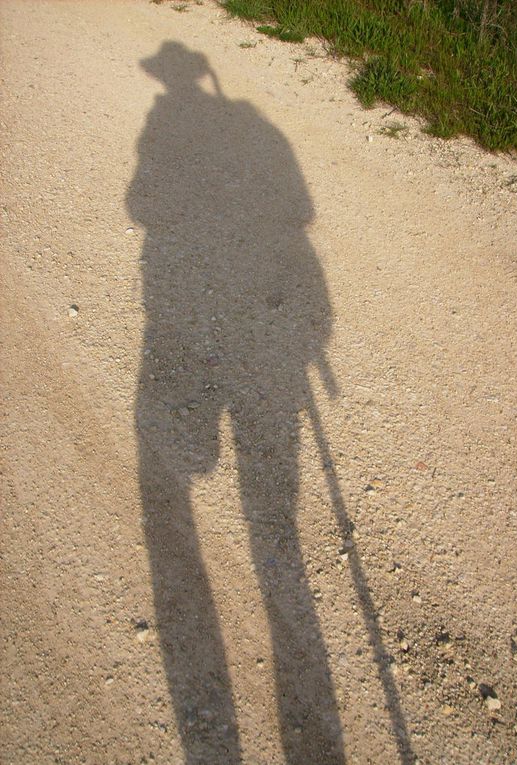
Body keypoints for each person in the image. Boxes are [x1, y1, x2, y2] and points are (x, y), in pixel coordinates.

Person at [127, 42, 345, 764]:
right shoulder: (250, 124)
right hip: (260, 303)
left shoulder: (169, 122)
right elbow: (303, 209)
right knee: (269, 497)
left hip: (186, 287)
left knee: (197, 432)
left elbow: (140, 204)